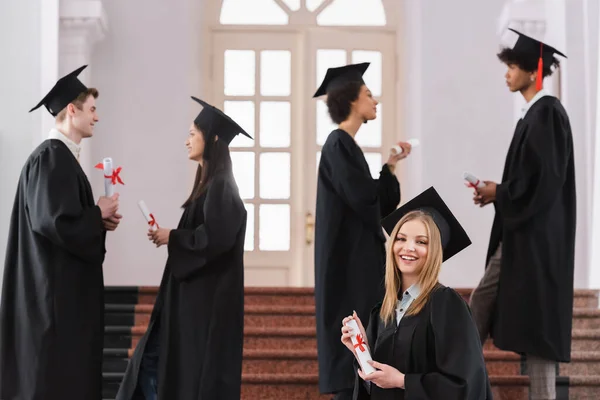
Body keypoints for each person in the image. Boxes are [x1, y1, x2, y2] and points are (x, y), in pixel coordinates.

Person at [115, 96, 250, 400]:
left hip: (205, 308)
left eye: (192, 134)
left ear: (212, 138)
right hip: (194, 302)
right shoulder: (211, 184)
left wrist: (172, 237)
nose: (186, 141)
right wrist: (172, 237)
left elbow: (215, 239)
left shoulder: (221, 186)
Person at [0, 65, 121, 400]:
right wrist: (97, 214)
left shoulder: (60, 159)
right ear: (72, 109)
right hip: (53, 306)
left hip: (59, 300)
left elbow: (61, 221)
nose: (96, 117)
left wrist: (98, 221)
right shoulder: (52, 158)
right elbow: (54, 222)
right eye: (92, 109)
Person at [469, 28, 576, 400]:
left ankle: (459, 379)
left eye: (513, 66)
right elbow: (531, 180)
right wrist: (497, 194)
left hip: (534, 244)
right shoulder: (535, 115)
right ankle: (463, 377)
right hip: (525, 238)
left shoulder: (546, 114)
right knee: (517, 320)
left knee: (530, 328)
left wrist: (500, 192)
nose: (506, 73)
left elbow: (543, 183)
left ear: (534, 71)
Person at [313, 62, 413, 399]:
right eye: (369, 94)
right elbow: (365, 199)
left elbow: (375, 201)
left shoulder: (346, 146)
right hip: (348, 269)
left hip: (356, 265)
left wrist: (390, 165)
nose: (376, 101)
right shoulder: (338, 144)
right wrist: (384, 174)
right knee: (353, 357)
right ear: (352, 100)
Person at [341, 186, 492, 400]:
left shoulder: (445, 305)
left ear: (435, 252)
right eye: (401, 239)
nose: (408, 247)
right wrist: (362, 352)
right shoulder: (382, 312)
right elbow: (374, 386)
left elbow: (465, 384)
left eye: (421, 242)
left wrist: (402, 381)